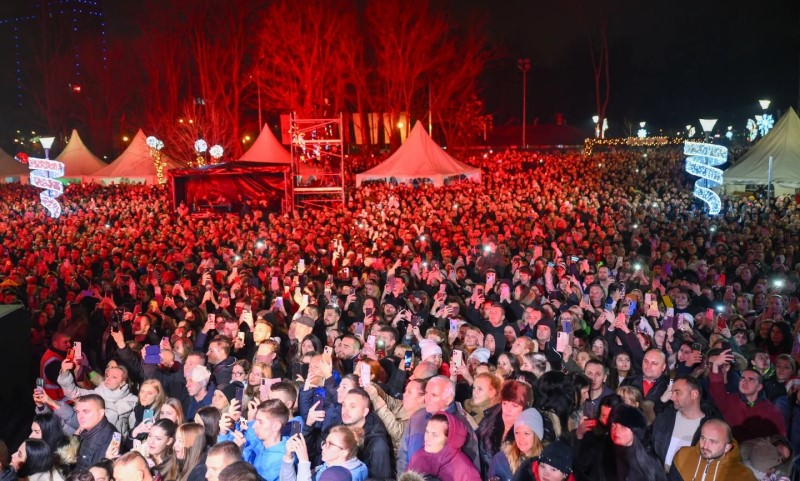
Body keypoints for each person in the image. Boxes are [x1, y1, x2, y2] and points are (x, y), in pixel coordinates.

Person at [397, 376, 479, 473]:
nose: (427, 399)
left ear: (448, 399)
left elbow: (470, 469)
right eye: (426, 393)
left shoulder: (462, 427)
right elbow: (403, 454)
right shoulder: (417, 417)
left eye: (434, 395)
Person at [709, 349, 786, 441]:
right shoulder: (729, 401)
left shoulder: (771, 411)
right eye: (742, 378)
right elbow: (717, 387)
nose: (745, 382)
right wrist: (716, 365)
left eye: (751, 379)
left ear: (759, 387)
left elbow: (780, 439)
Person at [58, 359, 138, 436]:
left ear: (122, 383)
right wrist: (64, 373)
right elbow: (73, 393)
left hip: (117, 445)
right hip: (93, 439)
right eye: (108, 375)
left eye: (114, 377)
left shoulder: (131, 401)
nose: (108, 379)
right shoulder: (97, 394)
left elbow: (134, 428)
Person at [650, 375, 711, 470]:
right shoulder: (665, 418)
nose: (672, 397)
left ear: (694, 394)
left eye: (677, 393)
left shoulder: (709, 427)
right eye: (672, 393)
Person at [668, 419, 757, 481]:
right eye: (703, 438)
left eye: (713, 441)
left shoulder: (743, 475)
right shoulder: (682, 456)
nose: (705, 446)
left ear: (727, 447)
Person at [406, 412, 480, 481]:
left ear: (449, 439)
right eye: (427, 432)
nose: (427, 438)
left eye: (435, 435)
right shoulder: (417, 457)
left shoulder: (465, 471)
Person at [362, 378, 426, 457]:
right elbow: (388, 400)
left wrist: (375, 398)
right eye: (405, 391)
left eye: (409, 392)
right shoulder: (403, 405)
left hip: (395, 462)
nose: (404, 394)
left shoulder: (421, 420)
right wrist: (371, 385)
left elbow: (396, 431)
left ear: (422, 398)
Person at [339, 388, 393, 480]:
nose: (345, 410)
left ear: (365, 412)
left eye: (352, 406)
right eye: (344, 405)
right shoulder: (341, 426)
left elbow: (381, 478)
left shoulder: (377, 444)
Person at [603, 404, 667, 481]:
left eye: (623, 428)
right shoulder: (603, 453)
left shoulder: (650, 459)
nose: (616, 431)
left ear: (634, 431)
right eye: (613, 426)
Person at [281, 426, 368, 481]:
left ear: (343, 453)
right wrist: (288, 457)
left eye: (330, 444)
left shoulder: (345, 476)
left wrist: (304, 462)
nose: (322, 447)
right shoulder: (325, 466)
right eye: (325, 442)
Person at [487, 408, 545, 481]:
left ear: (536, 435)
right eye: (517, 433)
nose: (521, 438)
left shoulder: (545, 465)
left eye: (526, 433)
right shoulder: (501, 460)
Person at [238, 399, 288, 481]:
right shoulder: (259, 443)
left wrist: (237, 457)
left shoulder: (281, 459)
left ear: (276, 426)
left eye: (260, 422)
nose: (254, 426)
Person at [73, 394, 118, 471]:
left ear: (100, 413)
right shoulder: (88, 430)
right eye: (78, 412)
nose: (80, 416)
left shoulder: (106, 440)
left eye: (86, 411)